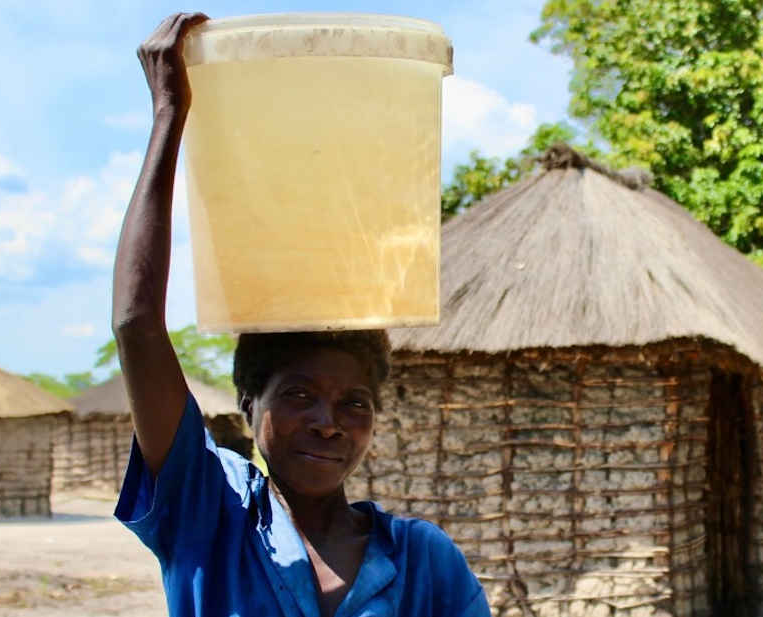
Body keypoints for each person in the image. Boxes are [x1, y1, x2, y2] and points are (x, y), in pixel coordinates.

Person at [111, 13, 490, 617]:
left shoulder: (423, 561)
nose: (327, 423)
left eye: (354, 403)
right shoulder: (209, 514)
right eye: (298, 395)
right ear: (248, 402)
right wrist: (169, 114)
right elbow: (137, 326)